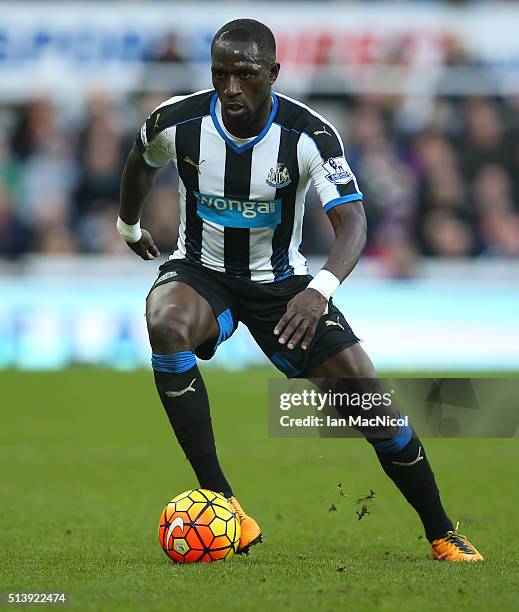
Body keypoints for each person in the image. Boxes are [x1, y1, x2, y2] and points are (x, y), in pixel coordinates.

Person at [118, 19, 483, 561]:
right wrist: (129, 225)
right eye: (220, 74)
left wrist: (320, 289)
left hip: (284, 287)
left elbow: (354, 223)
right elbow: (140, 163)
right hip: (201, 271)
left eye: (244, 74)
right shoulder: (178, 122)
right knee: (165, 325)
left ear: (274, 73)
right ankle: (223, 502)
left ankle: (442, 531)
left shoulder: (310, 134)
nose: (231, 87)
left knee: (370, 402)